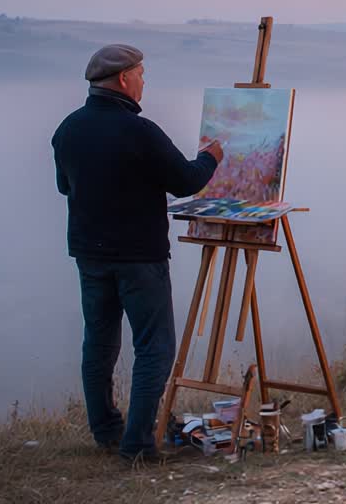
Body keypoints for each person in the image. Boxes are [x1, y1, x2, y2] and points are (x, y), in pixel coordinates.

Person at [52, 44, 224, 463]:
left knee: (99, 344)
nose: (144, 82)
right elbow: (186, 180)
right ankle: (139, 446)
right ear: (124, 79)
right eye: (141, 74)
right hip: (139, 258)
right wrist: (211, 157)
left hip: (90, 255)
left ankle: (107, 431)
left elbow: (64, 186)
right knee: (155, 348)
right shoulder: (139, 131)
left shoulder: (68, 129)